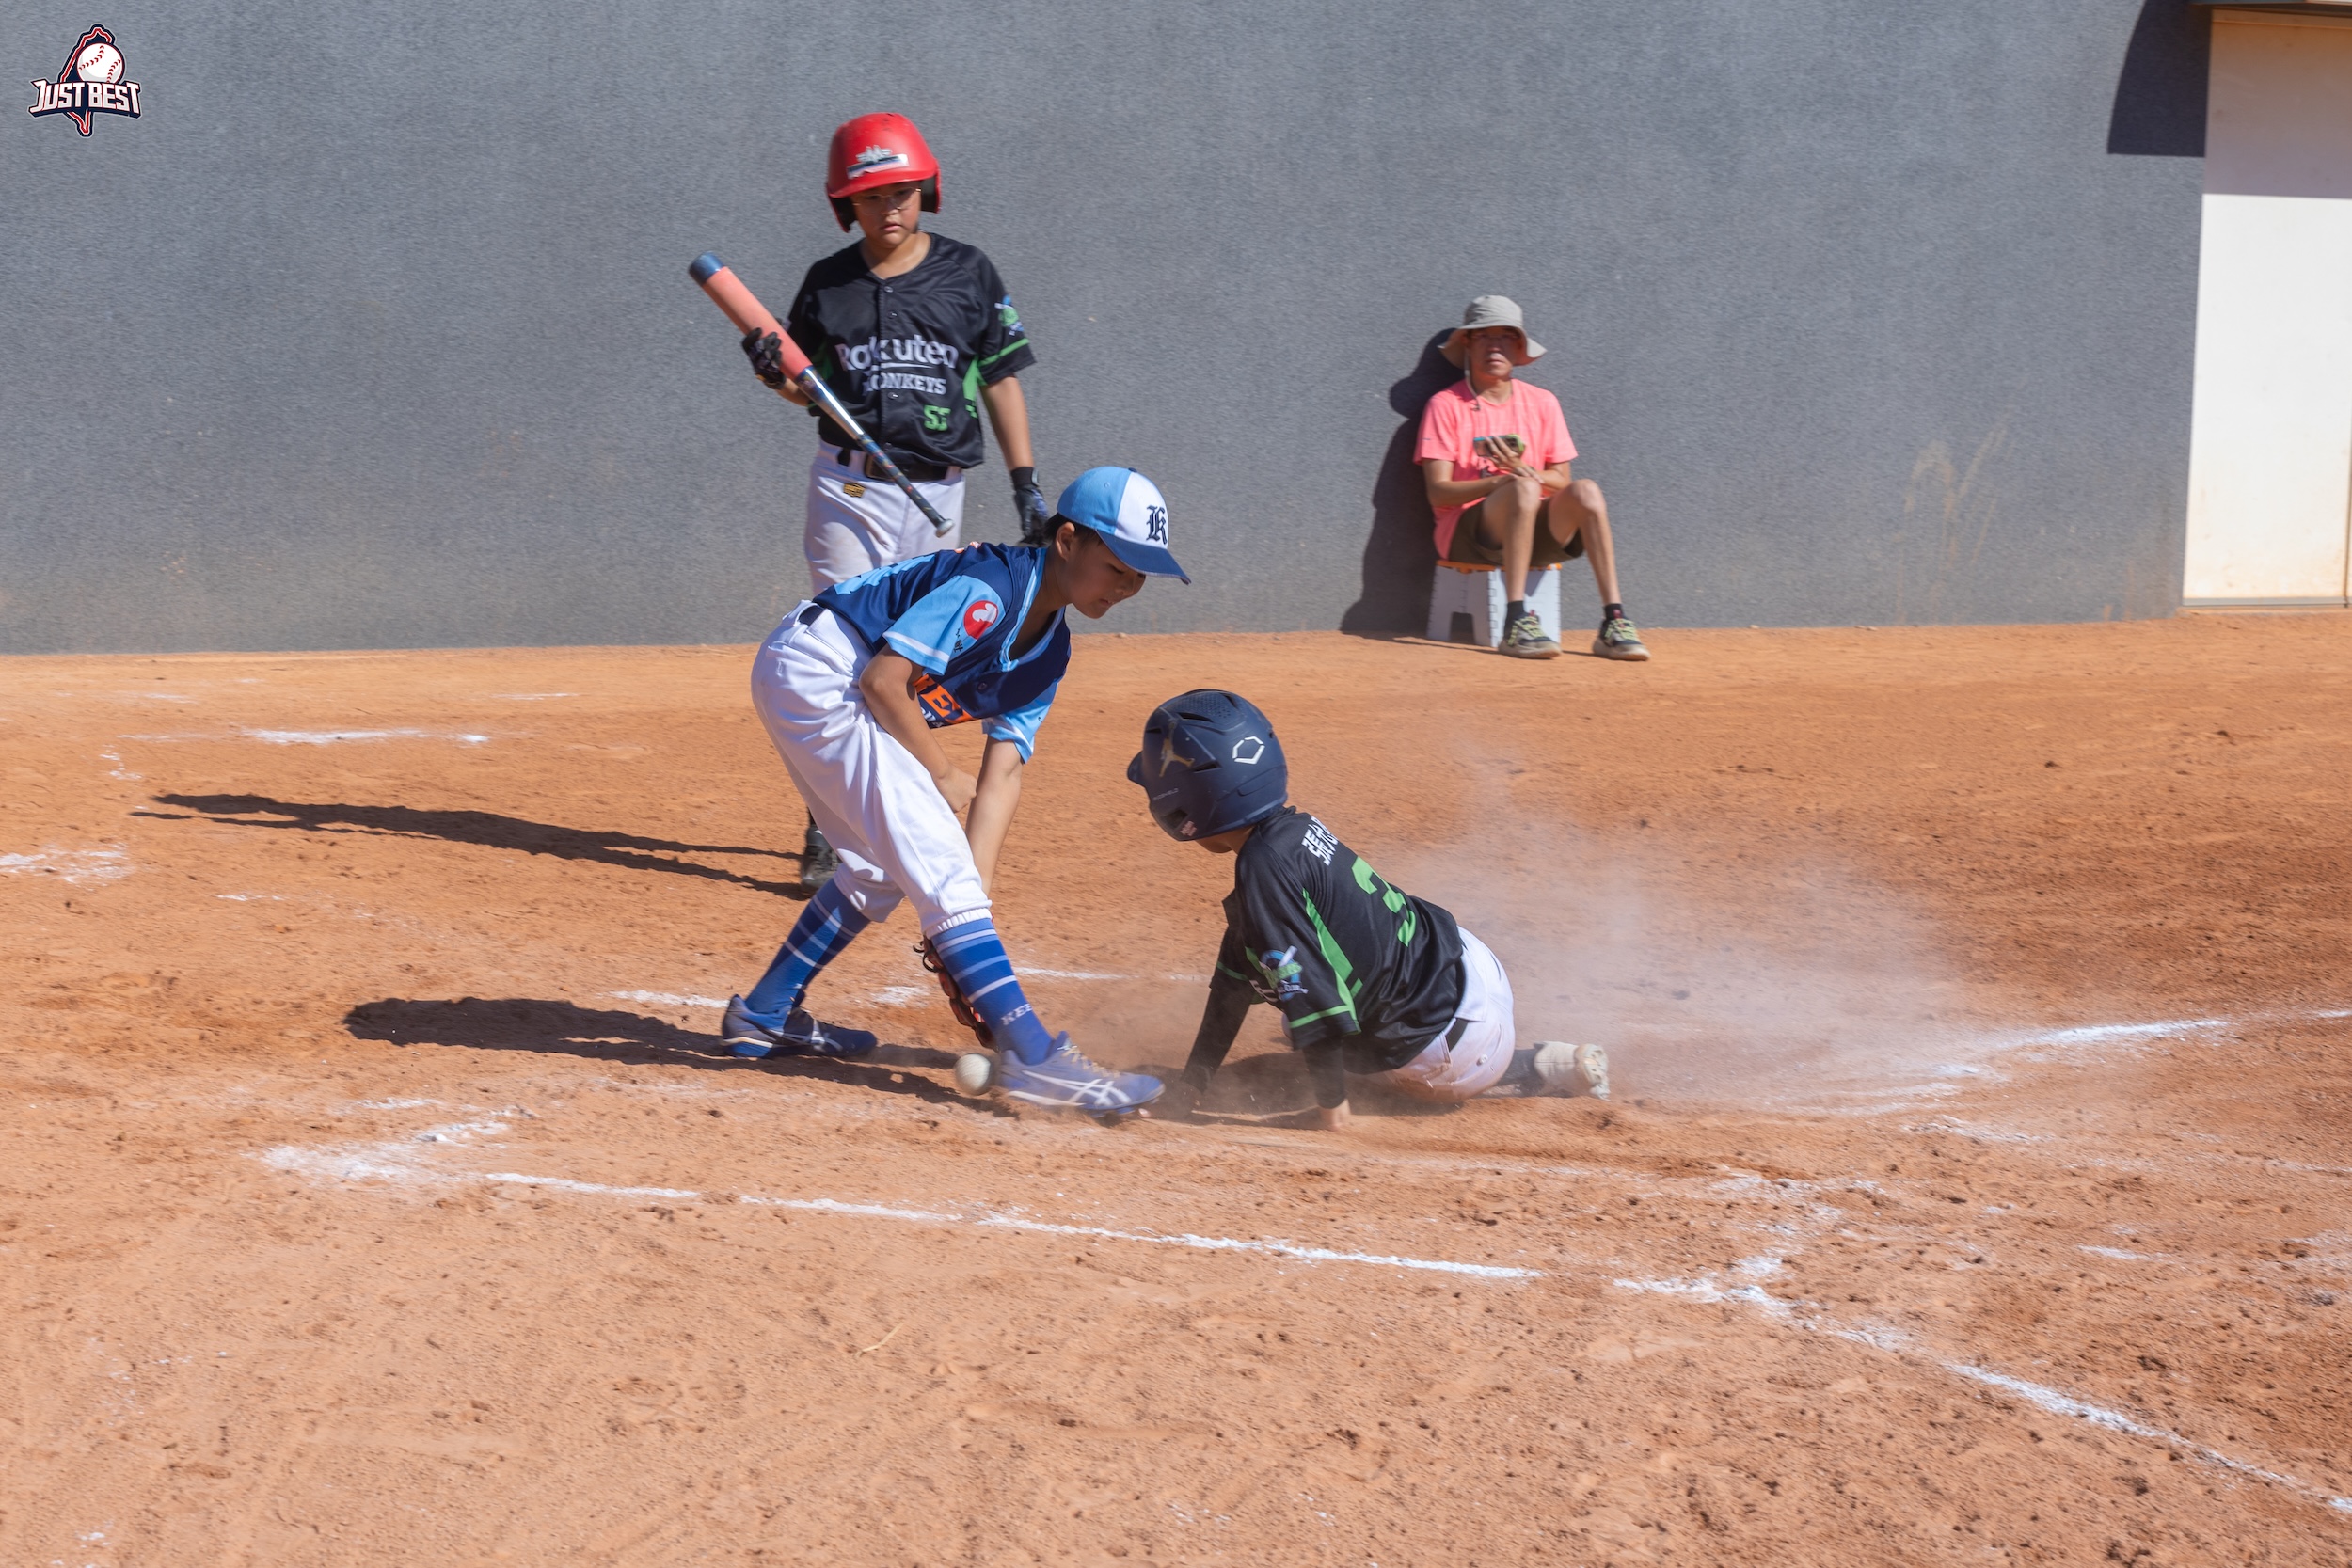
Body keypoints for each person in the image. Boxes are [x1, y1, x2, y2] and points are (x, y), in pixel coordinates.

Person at [720, 467, 1184, 1116]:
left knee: (885, 865)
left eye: (1139, 575)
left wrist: (967, 914)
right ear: (1069, 540)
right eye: (1118, 566)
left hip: (825, 679)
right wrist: (939, 774)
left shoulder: (1049, 654)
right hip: (824, 668)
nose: (1129, 585)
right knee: (933, 853)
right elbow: (886, 680)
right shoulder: (992, 588)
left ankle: (766, 1011)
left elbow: (1004, 773)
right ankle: (1035, 1055)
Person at [740, 112, 1055, 891]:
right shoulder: (827, 283)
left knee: (910, 660)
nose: (890, 208)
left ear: (928, 191)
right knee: (845, 655)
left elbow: (1004, 380)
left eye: (904, 192)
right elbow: (800, 387)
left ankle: (894, 801)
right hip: (847, 489)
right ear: (847, 204)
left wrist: (1026, 485)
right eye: (872, 195)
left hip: (939, 492)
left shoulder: (969, 273)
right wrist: (766, 370)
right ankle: (829, 824)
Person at [1126, 689, 1610, 1128]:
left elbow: (1311, 998)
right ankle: (1548, 1061)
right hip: (1472, 966)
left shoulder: (1261, 871)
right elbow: (1235, 979)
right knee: (1298, 986)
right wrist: (1192, 1084)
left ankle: (1526, 1068)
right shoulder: (1294, 832)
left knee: (1296, 1042)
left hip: (1455, 1052)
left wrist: (1330, 1109)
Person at [1417, 296, 1649, 663]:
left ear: (1520, 347)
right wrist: (1500, 483)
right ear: (1467, 343)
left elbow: (1561, 481)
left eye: (1507, 336)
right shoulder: (1445, 405)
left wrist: (1524, 471)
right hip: (1467, 536)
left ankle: (1614, 620)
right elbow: (1437, 493)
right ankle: (1516, 621)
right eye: (1484, 337)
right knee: (1523, 487)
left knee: (1587, 490)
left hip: (1535, 528)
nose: (1496, 345)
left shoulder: (1543, 403)